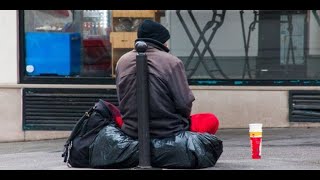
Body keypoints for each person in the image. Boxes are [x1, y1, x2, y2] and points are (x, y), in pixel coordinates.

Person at [115, 19, 219, 138]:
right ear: (161, 42)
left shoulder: (122, 61)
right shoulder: (172, 62)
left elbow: (121, 99)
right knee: (210, 120)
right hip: (168, 131)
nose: (167, 44)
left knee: (116, 118)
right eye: (166, 41)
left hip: (132, 130)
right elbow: (184, 103)